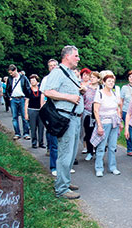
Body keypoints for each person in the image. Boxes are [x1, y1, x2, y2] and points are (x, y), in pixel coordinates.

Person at [44, 46, 83, 199]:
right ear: (67, 56)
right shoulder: (57, 72)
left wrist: (80, 91)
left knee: (72, 153)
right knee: (65, 153)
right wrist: (70, 97)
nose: (78, 58)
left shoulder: (70, 73)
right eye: (76, 55)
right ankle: (61, 189)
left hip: (74, 117)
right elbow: (48, 92)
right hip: (65, 118)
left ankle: (65, 181)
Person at [91, 73, 122, 177]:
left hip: (114, 122)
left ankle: (112, 167)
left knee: (112, 147)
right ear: (103, 82)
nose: (111, 83)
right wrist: (99, 125)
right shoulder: (99, 93)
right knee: (101, 147)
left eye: (113, 81)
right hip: (104, 123)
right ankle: (99, 168)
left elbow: (117, 108)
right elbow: (96, 110)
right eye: (109, 81)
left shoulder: (114, 94)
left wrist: (120, 121)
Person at [40, 59, 59, 175]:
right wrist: (43, 110)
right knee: (53, 141)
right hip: (50, 111)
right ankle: (54, 167)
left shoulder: (62, 78)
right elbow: (43, 95)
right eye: (50, 66)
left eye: (54, 65)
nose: (52, 67)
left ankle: (63, 166)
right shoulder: (46, 79)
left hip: (61, 112)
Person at [6, 64, 31, 140]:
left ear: (15, 70)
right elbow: (7, 89)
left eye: (11, 72)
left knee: (24, 117)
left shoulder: (23, 78)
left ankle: (26, 133)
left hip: (22, 98)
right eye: (10, 73)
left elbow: (28, 88)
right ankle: (17, 133)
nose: (11, 74)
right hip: (13, 99)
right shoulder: (10, 79)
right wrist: (9, 97)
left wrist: (27, 97)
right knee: (14, 117)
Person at [82, 71, 101, 161]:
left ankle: (98, 152)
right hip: (87, 113)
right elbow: (83, 100)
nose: (92, 78)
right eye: (91, 77)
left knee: (97, 133)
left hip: (98, 114)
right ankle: (90, 152)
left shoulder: (101, 89)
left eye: (94, 77)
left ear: (98, 79)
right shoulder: (86, 89)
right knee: (88, 133)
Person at [121, 70, 132, 156]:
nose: (131, 78)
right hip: (126, 111)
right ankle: (129, 148)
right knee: (128, 129)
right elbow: (121, 100)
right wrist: (120, 112)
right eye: (130, 77)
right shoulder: (124, 88)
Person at [25, 74, 44, 149]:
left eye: (34, 80)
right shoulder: (28, 90)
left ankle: (41, 142)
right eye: (31, 80)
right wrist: (26, 113)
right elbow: (26, 102)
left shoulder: (40, 90)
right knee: (33, 127)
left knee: (41, 127)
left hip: (40, 110)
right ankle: (34, 142)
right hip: (32, 110)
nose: (32, 82)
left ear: (37, 81)